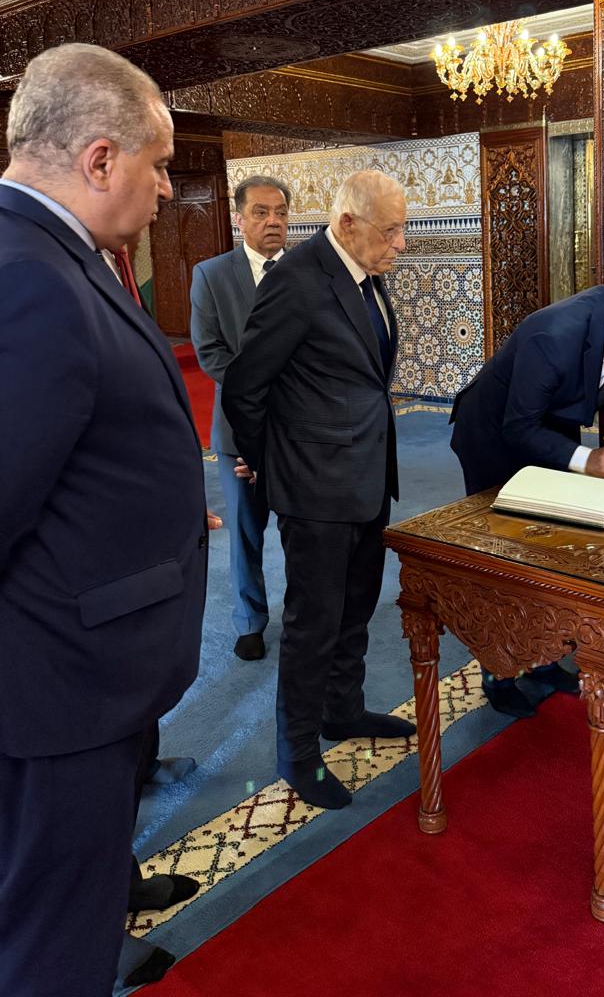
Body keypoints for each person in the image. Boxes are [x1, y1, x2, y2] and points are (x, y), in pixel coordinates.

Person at [0, 43, 208, 997]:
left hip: (79, 665)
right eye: (158, 165)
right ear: (98, 159)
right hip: (58, 685)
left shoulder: (49, 254)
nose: (165, 188)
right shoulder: (30, 276)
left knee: (73, 895)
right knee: (52, 941)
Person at [222, 170, 414, 810]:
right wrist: (269, 468)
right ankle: (298, 753)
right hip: (314, 492)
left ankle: (343, 711)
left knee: (356, 607)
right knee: (313, 625)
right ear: (347, 224)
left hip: (366, 478)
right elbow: (245, 386)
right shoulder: (298, 280)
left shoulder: (367, 273)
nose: (401, 244)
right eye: (391, 231)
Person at [450, 275, 604, 717]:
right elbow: (518, 427)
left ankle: (545, 659)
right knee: (504, 558)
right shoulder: (554, 334)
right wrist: (588, 460)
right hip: (494, 436)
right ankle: (498, 669)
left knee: (550, 551)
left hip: (548, 431)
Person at [190, 175, 291, 660]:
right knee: (246, 534)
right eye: (260, 212)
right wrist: (262, 393)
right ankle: (250, 621)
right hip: (238, 431)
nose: (273, 222)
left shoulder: (309, 271)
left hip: (298, 432)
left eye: (281, 213)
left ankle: (303, 617)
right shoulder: (212, 275)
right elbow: (210, 352)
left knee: (301, 531)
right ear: (238, 219)